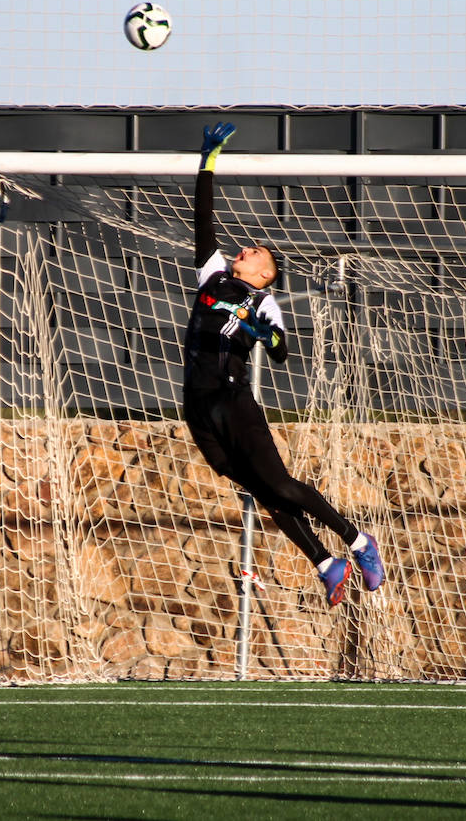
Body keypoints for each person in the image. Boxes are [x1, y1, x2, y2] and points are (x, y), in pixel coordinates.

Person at [182, 122, 384, 606]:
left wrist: (259, 330)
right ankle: (326, 563)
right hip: (196, 403)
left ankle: (358, 543)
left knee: (279, 485)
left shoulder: (264, 300)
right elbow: (203, 217)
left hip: (233, 401)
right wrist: (207, 160)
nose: (245, 249)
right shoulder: (213, 275)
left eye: (256, 253)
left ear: (264, 273)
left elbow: (279, 349)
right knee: (263, 491)